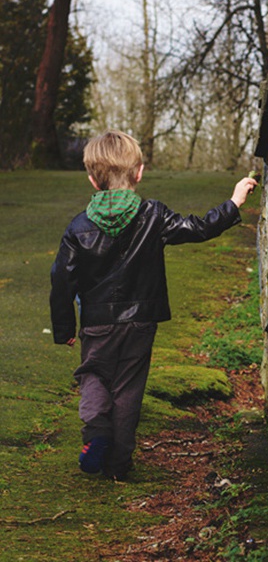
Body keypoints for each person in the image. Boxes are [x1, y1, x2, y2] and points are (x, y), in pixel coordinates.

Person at [49, 129, 257, 481]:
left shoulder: (79, 227)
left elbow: (61, 279)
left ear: (91, 178)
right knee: (129, 387)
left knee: (93, 374)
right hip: (142, 319)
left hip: (98, 321)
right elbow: (198, 228)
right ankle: (118, 465)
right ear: (139, 172)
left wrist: (65, 328)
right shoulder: (153, 215)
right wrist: (234, 202)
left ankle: (96, 430)